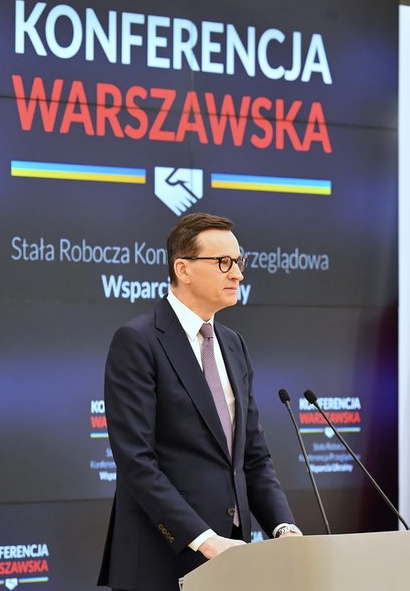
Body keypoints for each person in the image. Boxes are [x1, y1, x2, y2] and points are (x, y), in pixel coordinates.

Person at [98, 213, 301, 591]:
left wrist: (283, 528)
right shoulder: (138, 341)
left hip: (234, 557)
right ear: (183, 269)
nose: (237, 274)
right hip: (162, 559)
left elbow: (253, 456)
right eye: (223, 262)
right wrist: (205, 539)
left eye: (239, 262)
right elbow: (136, 462)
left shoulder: (234, 344)